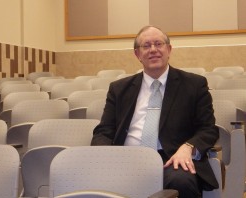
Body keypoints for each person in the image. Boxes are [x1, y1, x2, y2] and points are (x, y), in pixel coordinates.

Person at [91, 25, 219, 198]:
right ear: (137, 54)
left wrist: (188, 147)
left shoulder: (194, 85)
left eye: (158, 44)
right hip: (126, 158)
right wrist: (107, 157)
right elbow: (104, 131)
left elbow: (208, 129)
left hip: (172, 160)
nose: (153, 50)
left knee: (182, 182)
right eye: (146, 46)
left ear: (169, 49)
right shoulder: (119, 89)